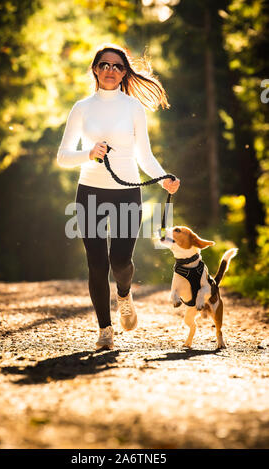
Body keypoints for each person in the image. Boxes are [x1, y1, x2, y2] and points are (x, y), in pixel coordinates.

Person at [57, 43, 180, 350]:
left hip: (127, 194)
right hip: (90, 194)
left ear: (125, 73)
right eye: (105, 65)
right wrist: (89, 153)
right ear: (95, 69)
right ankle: (104, 329)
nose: (111, 71)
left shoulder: (133, 108)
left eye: (117, 66)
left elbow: (145, 155)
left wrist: (164, 176)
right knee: (97, 264)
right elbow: (62, 156)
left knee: (120, 260)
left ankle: (124, 294)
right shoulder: (82, 108)